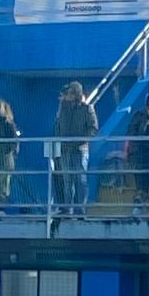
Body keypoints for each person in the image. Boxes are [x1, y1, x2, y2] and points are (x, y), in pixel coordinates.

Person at [53, 81, 98, 215]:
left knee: (80, 179)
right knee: (67, 180)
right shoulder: (63, 109)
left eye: (71, 93)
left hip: (80, 149)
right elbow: (58, 128)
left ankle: (80, 210)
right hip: (65, 149)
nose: (68, 95)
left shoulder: (87, 108)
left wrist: (83, 141)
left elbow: (93, 128)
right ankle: (68, 209)